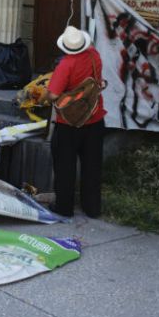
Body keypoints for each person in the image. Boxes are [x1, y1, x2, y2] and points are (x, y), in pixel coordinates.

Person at [39, 26, 106, 218]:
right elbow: (91, 45)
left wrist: (44, 96)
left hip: (69, 124)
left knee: (65, 167)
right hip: (95, 118)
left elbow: (53, 94)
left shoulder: (66, 64)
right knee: (92, 167)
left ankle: (64, 207)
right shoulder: (95, 56)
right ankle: (92, 208)